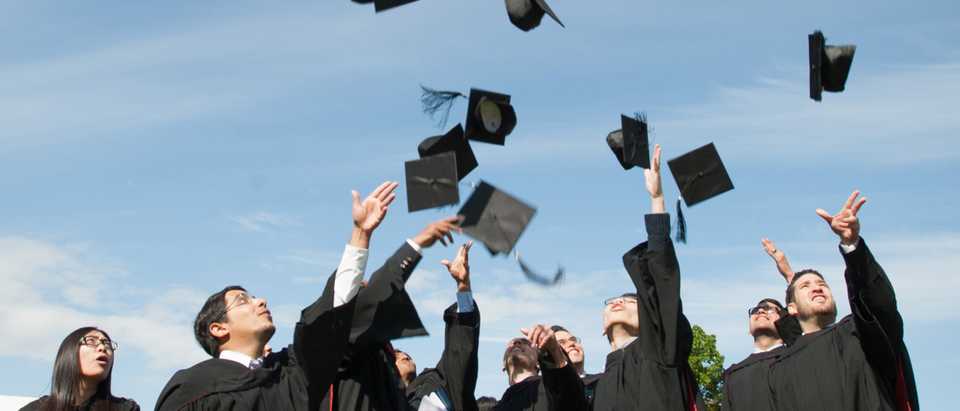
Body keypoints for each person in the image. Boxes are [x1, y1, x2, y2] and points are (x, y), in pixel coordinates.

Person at [155, 181, 399, 411]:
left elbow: (328, 324)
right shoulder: (193, 387)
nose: (260, 301)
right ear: (218, 328)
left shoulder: (289, 375)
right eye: (242, 300)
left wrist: (360, 236)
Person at [767, 190, 919, 410]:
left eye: (822, 284)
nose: (817, 287)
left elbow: (877, 304)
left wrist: (852, 246)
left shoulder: (858, 335)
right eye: (806, 286)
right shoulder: (779, 369)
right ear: (791, 308)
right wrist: (791, 278)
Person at [591, 144, 701, 411]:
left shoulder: (659, 352)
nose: (617, 302)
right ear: (601, 327)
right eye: (612, 301)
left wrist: (657, 198)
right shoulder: (593, 388)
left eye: (630, 301)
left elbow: (661, 282)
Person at [319, 211, 464, 411]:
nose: (371, 292)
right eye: (364, 291)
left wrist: (464, 289)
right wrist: (416, 242)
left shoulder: (388, 375)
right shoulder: (336, 353)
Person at [401, 241, 481, 411]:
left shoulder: (433, 382)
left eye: (405, 353)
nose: (403, 356)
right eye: (394, 354)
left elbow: (459, 353)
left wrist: (463, 286)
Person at [21, 327, 139, 411]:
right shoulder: (34, 409)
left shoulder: (126, 408)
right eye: (91, 341)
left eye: (107, 343)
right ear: (69, 352)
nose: (102, 347)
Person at [493, 325, 589, 411]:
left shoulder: (552, 387)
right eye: (510, 345)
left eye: (525, 343)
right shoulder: (497, 406)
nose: (516, 343)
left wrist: (553, 350)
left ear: (538, 362)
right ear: (503, 365)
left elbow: (573, 399)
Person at [720, 298, 786, 411]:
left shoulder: (798, 359)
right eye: (755, 310)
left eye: (769, 309)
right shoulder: (733, 375)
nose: (760, 311)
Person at [549, 326, 600, 403]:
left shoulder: (601, 381)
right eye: (561, 342)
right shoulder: (545, 391)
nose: (571, 343)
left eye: (573, 340)